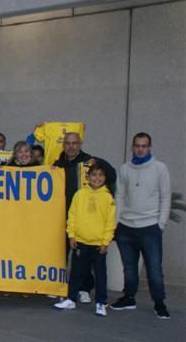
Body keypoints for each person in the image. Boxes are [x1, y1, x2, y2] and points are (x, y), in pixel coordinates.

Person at [111, 133, 171, 319]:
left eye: (144, 146)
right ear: (132, 147)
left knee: (154, 268)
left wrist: (160, 223)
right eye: (137, 145)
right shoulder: (124, 169)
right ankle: (129, 297)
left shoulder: (160, 168)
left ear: (149, 147)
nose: (140, 149)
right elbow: (119, 196)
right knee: (129, 267)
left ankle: (159, 302)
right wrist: (116, 222)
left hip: (150, 227)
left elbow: (165, 196)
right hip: (126, 227)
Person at [54, 132, 116, 304]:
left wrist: (99, 162)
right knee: (63, 255)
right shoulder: (57, 165)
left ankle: (85, 288)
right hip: (62, 216)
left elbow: (111, 175)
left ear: (80, 144)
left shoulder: (89, 162)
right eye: (67, 143)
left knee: (87, 260)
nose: (71, 146)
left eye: (74, 143)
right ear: (63, 145)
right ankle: (61, 287)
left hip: (86, 218)